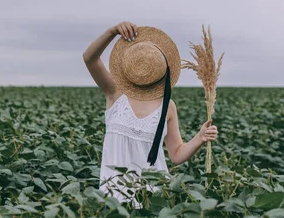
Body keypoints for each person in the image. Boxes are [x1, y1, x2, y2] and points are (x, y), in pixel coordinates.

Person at [82, 21, 219, 205]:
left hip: (153, 199)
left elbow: (176, 154)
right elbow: (89, 58)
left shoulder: (167, 106)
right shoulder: (115, 94)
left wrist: (200, 138)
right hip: (113, 198)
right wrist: (112, 31)